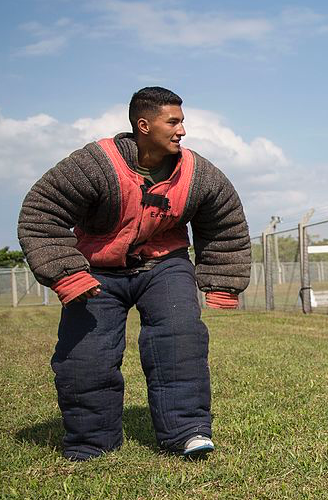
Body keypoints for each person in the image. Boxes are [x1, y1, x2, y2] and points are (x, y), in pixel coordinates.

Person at [17, 87, 251, 461]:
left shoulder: (197, 173)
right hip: (96, 271)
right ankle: (91, 442)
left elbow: (224, 223)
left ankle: (187, 431)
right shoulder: (96, 163)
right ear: (144, 125)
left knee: (181, 342)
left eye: (183, 121)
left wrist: (222, 283)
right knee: (85, 359)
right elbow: (41, 212)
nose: (182, 131)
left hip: (165, 264)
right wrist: (66, 273)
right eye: (173, 122)